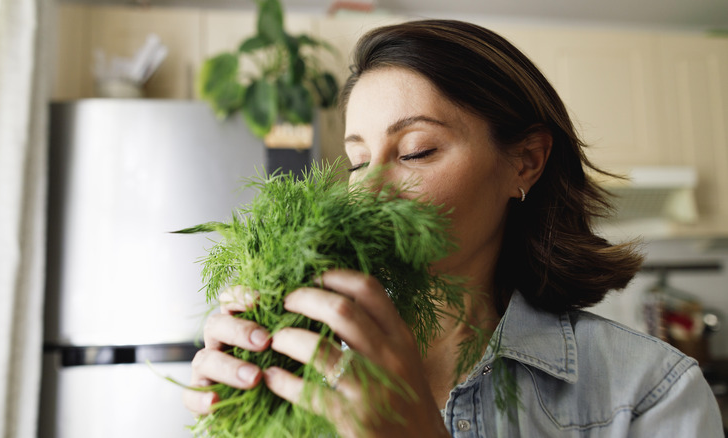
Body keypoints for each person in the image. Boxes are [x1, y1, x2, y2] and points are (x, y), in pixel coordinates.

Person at [183, 20, 723, 437]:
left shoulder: (650, 391)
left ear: (525, 162)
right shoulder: (307, 360)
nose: (369, 191)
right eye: (357, 161)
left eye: (416, 150)